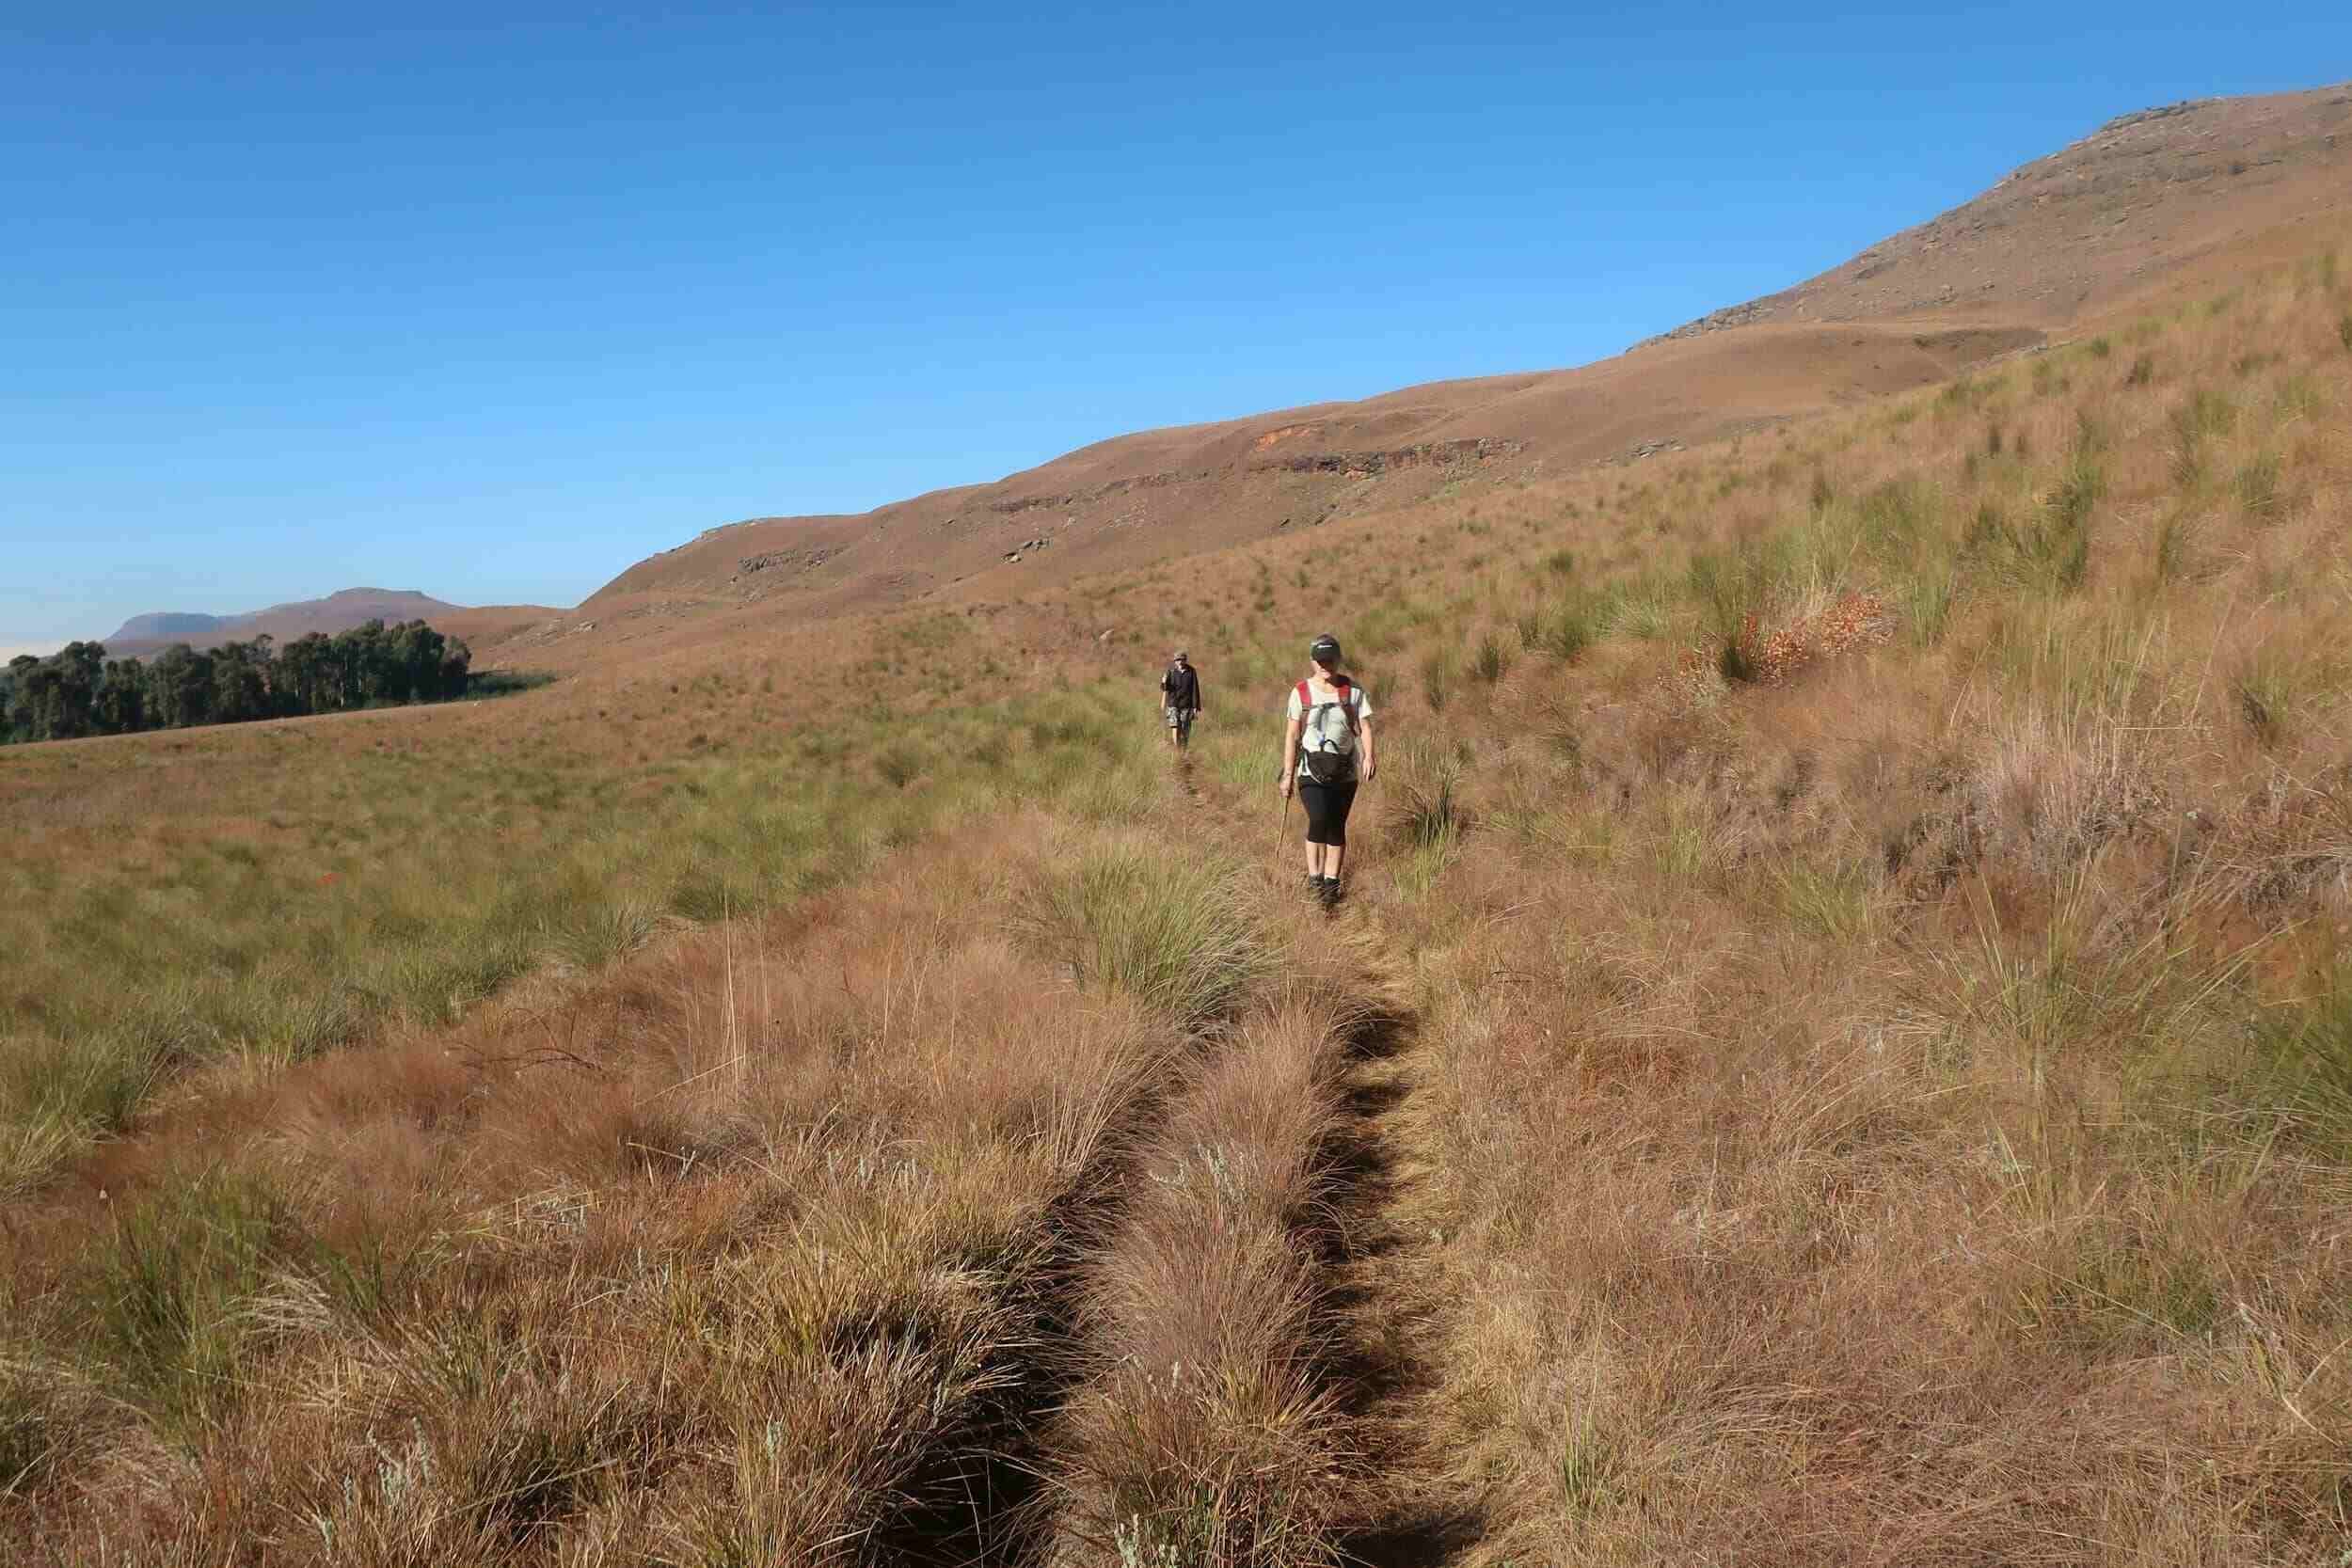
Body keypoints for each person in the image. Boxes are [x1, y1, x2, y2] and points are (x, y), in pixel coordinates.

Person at [1277, 634, 1375, 905]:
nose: (1325, 665)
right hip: (1310, 769)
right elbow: (1292, 734)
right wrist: (1287, 774)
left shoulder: (1353, 691)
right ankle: (1315, 879)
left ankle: (1331, 885)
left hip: (1344, 772)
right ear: (1312, 661)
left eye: (1330, 660)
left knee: (1336, 826)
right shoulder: (1301, 692)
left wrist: (1369, 756)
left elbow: (1365, 727)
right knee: (1318, 819)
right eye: (1320, 660)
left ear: (1338, 659)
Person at [1159, 649, 1202, 752]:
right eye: (1177, 660)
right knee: (1175, 726)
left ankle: (1183, 750)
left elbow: (1195, 688)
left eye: (1182, 660)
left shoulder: (1191, 671)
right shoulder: (1171, 671)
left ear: (1185, 660)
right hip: (1173, 703)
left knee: (1185, 730)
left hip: (1186, 705)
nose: (1180, 662)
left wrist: (1196, 706)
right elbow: (1165, 688)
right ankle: (1176, 749)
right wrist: (1164, 682)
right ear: (1174, 661)